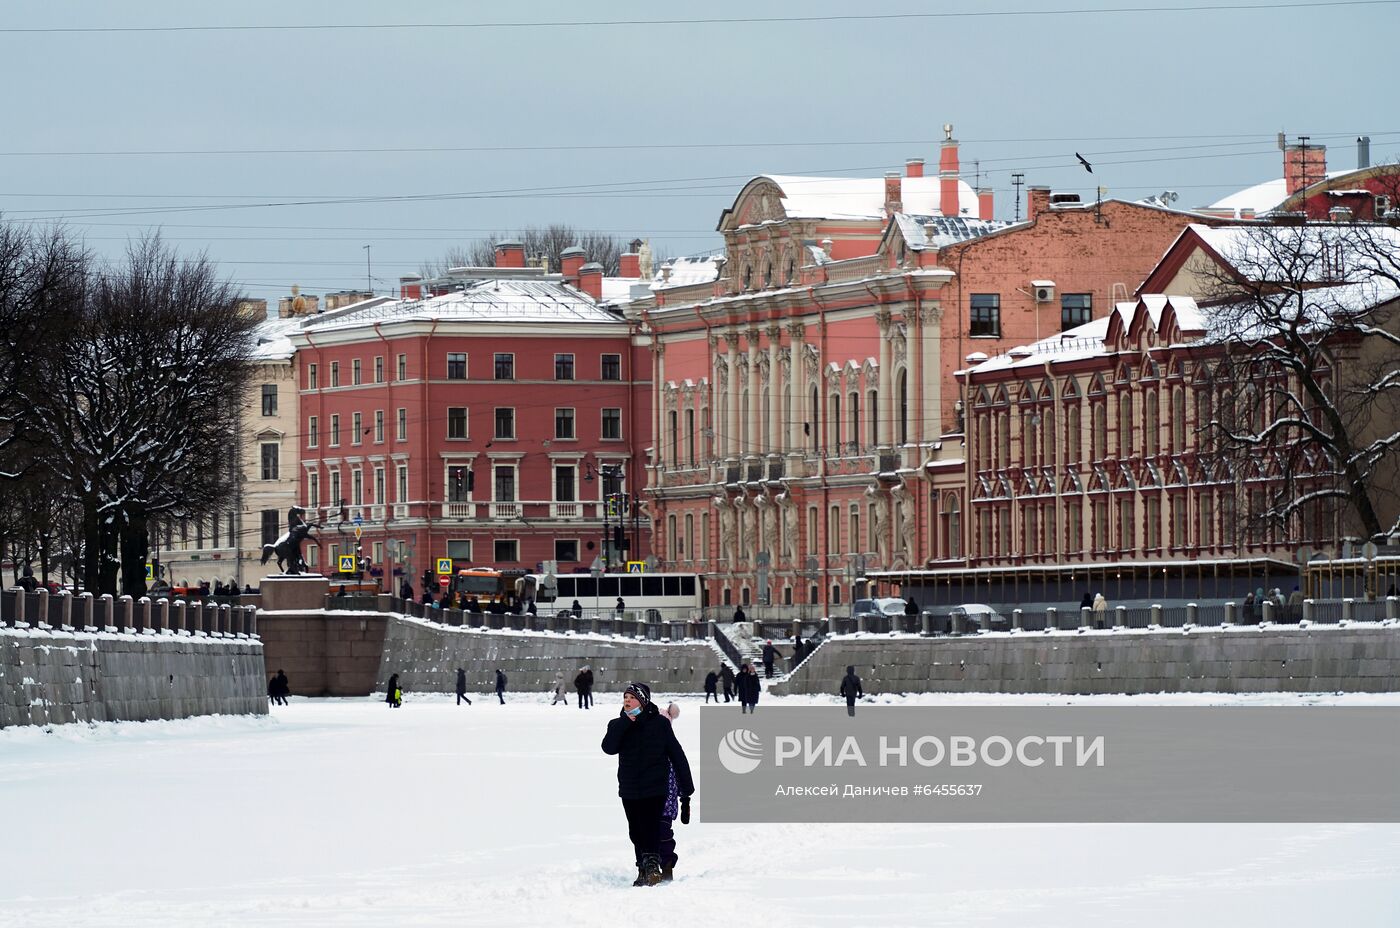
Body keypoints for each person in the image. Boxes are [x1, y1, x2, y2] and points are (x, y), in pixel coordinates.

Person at [600, 682, 694, 887]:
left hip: (655, 787)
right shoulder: (617, 724)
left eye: (632, 698)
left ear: (642, 701)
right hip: (629, 787)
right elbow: (608, 748)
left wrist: (687, 790)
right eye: (625, 697)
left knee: (651, 826)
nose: (627, 701)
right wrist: (625, 722)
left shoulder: (660, 724)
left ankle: (652, 867)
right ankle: (642, 868)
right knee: (636, 831)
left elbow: (677, 755)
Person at [657, 702, 684, 882]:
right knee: (652, 834)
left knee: (663, 833)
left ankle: (667, 865)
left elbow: (681, 773)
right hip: (650, 799)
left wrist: (684, 797)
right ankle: (653, 866)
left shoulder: (671, 750)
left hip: (666, 802)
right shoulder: (648, 749)